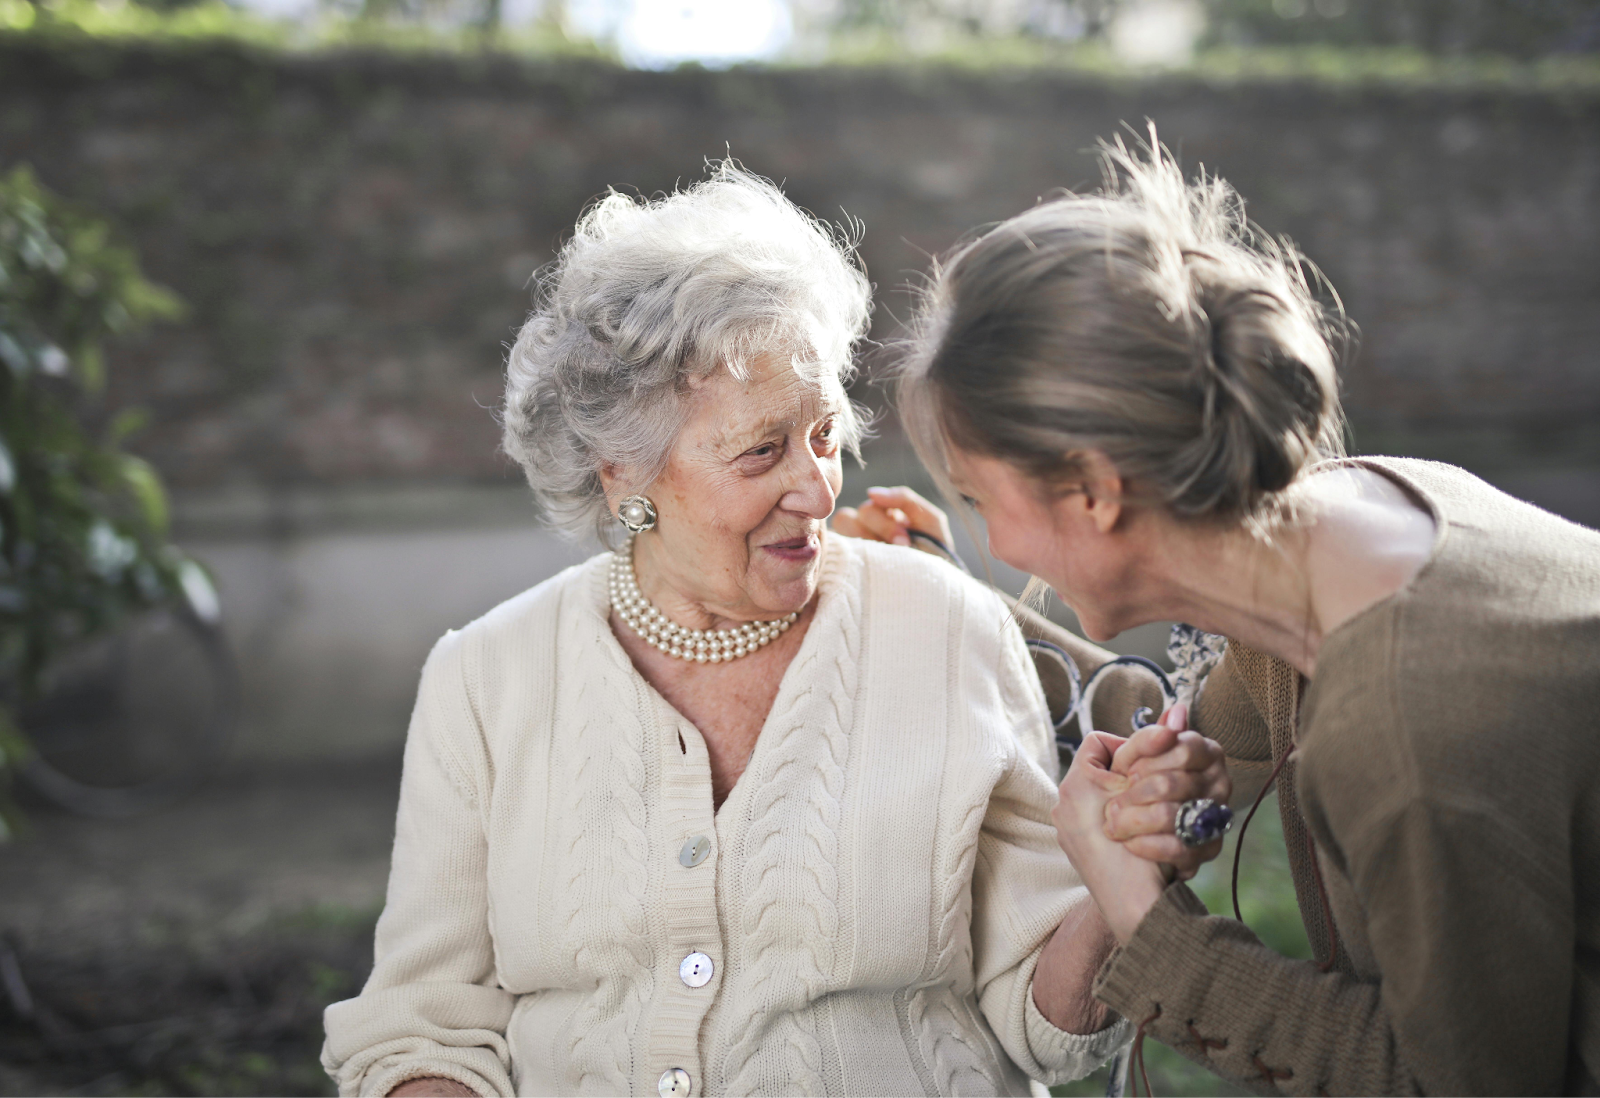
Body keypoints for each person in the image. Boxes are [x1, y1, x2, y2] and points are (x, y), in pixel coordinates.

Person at [319, 164, 1228, 1098]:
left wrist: (1116, 881)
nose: (817, 487)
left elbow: (1048, 1031)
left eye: (825, 435)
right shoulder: (484, 678)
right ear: (622, 474)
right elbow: (421, 1027)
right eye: (762, 450)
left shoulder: (944, 628)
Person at [858, 132, 1600, 1097]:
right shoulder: (1348, 525)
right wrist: (936, 590)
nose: (996, 541)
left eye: (978, 499)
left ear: (1091, 492)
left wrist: (1147, 924)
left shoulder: (1407, 731)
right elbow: (1179, 725)